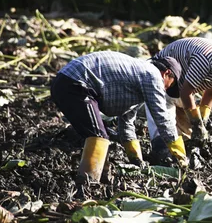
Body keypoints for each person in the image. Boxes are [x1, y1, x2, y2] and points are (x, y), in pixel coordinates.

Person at [50, 51, 188, 193]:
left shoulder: (137, 78)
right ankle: (86, 187)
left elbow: (127, 124)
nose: (165, 89)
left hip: (63, 82)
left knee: (98, 136)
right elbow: (162, 118)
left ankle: (97, 179)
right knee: (99, 136)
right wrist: (180, 154)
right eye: (169, 86)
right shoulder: (152, 75)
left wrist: (136, 160)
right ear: (166, 74)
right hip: (76, 83)